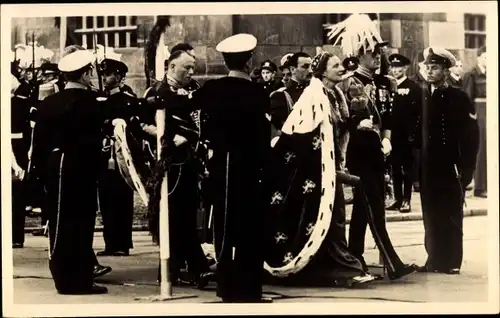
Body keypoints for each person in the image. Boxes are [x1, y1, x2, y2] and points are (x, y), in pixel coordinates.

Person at [264, 51, 376, 287]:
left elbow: (339, 127)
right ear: (323, 72)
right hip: (314, 170)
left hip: (330, 164)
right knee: (328, 217)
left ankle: (339, 266)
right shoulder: (313, 96)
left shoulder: (335, 94)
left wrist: (358, 114)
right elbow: (302, 134)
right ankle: (342, 268)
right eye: (335, 65)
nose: (341, 68)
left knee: (335, 217)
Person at [331, 14, 416, 280]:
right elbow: (345, 120)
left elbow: (388, 116)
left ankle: (355, 259)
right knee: (374, 207)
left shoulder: (383, 83)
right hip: (359, 153)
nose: (377, 56)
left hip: (379, 152)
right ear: (358, 54)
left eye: (378, 51)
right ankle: (393, 264)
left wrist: (387, 138)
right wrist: (359, 126)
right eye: (371, 52)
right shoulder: (349, 82)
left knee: (362, 210)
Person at [192, 33, 273, 303]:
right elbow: (262, 136)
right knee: (250, 227)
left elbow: (194, 117)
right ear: (249, 61)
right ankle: (248, 289)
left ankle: (226, 287)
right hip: (249, 166)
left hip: (220, 165)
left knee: (224, 226)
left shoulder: (211, 89)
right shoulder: (258, 92)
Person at [30, 49, 110, 294]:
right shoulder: (89, 102)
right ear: (86, 75)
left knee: (58, 222)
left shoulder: (49, 102)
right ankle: (77, 281)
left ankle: (64, 276)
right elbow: (95, 142)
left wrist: (39, 175)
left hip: (54, 167)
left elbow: (39, 142)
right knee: (80, 223)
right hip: (79, 167)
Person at [148, 49, 214, 288]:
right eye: (186, 67)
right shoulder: (157, 92)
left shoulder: (195, 90)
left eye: (193, 68)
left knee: (186, 216)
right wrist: (169, 136)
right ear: (171, 66)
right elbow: (143, 124)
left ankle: (180, 269)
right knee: (173, 217)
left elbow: (202, 120)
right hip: (169, 165)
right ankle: (190, 268)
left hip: (191, 163)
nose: (191, 72)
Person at [410, 47, 479, 275]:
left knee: (450, 213)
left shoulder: (458, 97)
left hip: (450, 165)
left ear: (445, 70)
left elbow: (470, 137)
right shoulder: (422, 96)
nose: (430, 71)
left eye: (435, 67)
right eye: (427, 67)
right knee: (430, 214)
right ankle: (433, 259)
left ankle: (451, 262)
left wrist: (467, 169)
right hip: (428, 166)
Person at [95, 57, 136, 257]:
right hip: (104, 156)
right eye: (103, 74)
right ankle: (110, 243)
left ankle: (122, 243)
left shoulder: (126, 100)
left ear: (118, 76)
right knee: (106, 200)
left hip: (120, 155)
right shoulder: (99, 100)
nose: (105, 78)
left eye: (108, 74)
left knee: (121, 198)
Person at [385, 53, 422, 213]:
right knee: (394, 167)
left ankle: (407, 199)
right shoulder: (387, 86)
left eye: (398, 67)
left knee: (407, 168)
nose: (395, 70)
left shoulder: (413, 87)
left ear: (405, 68)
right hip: (391, 134)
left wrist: (414, 133)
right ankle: (397, 199)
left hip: (407, 135)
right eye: (392, 67)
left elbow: (418, 113)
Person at [269, 52, 312, 140]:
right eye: (305, 66)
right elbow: (279, 131)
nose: (310, 70)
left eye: (311, 67)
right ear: (293, 69)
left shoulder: (315, 92)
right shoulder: (281, 96)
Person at [462, 45, 487, 198]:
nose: (488, 60)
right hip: (479, 114)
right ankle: (479, 186)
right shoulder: (472, 75)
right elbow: (466, 98)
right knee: (481, 149)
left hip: (489, 113)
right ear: (478, 57)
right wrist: (472, 116)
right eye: (485, 57)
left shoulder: (490, 74)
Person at [11, 69, 29, 249]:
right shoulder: (23, 104)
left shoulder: (21, 105)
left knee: (17, 196)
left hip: (17, 149)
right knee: (17, 197)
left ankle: (16, 236)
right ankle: (16, 236)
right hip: (19, 150)